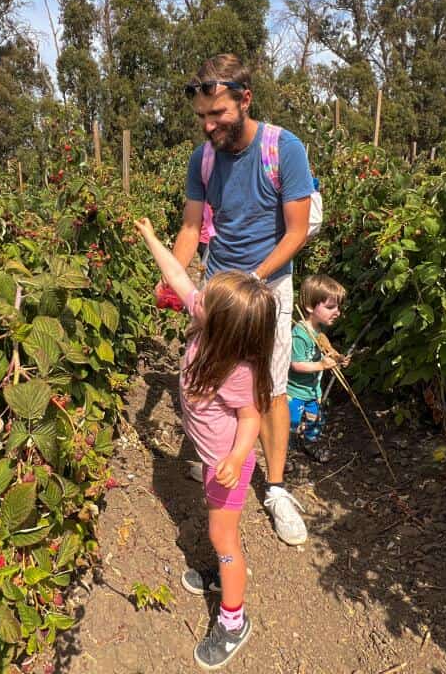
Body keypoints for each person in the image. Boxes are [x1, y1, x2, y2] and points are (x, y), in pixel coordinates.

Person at [167, 53, 315, 546]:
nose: (210, 126)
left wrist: (252, 280)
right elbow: (192, 226)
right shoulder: (203, 158)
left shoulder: (283, 148)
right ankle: (221, 462)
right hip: (218, 286)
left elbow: (296, 233)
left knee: (268, 388)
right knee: (209, 376)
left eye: (219, 115)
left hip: (266, 287)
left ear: (245, 99)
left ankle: (274, 487)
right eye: (203, 118)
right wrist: (175, 276)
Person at [135, 216, 274, 670]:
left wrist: (236, 457)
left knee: (223, 534)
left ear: (223, 328)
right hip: (216, 461)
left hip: (227, 467)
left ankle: (233, 621)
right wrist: (154, 238)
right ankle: (220, 573)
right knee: (220, 532)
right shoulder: (207, 323)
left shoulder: (238, 370)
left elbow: (253, 417)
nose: (198, 299)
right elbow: (178, 278)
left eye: (206, 300)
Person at [288, 275, 348, 463]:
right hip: (295, 391)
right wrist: (320, 365)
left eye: (338, 307)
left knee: (315, 418)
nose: (337, 312)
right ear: (309, 307)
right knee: (291, 422)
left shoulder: (318, 332)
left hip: (313, 391)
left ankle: (310, 442)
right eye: (330, 307)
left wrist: (338, 359)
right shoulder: (300, 334)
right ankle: (285, 452)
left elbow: (325, 351)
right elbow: (296, 364)